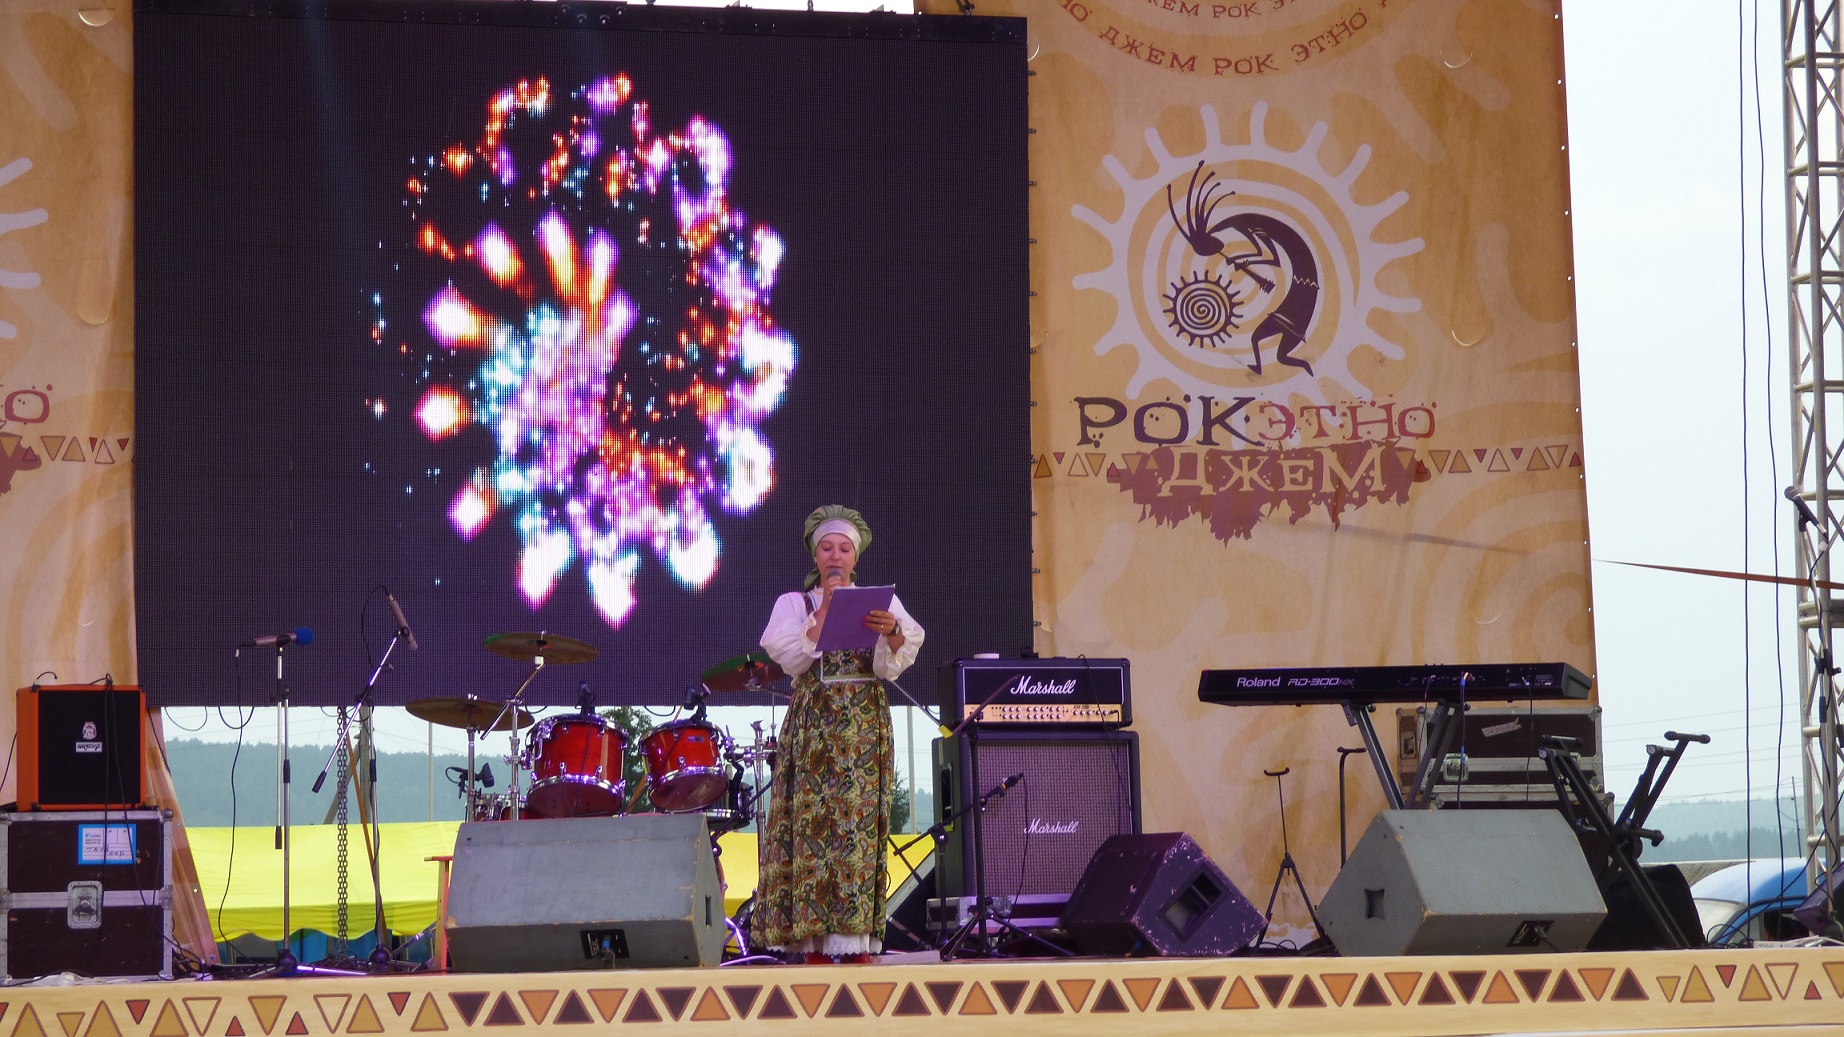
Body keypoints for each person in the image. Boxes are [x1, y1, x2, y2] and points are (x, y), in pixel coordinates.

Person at [754, 505, 923, 963]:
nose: (835, 556)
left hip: (863, 728)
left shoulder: (880, 602)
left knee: (857, 833)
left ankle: (855, 943)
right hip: (815, 729)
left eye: (844, 549)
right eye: (827, 548)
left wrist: (892, 632)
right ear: (815, 555)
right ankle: (812, 944)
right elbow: (792, 659)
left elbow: (895, 661)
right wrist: (826, 609)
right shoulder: (795, 604)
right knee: (811, 828)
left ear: (855, 557)